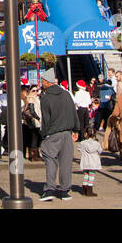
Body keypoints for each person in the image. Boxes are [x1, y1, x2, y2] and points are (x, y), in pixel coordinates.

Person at [37, 70, 77, 201]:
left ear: (47, 82)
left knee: (50, 160)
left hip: (53, 133)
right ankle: (65, 190)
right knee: (66, 162)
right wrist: (76, 130)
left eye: (42, 81)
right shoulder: (66, 94)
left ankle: (50, 189)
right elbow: (73, 111)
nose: (41, 83)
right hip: (67, 132)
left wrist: (43, 136)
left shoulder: (46, 97)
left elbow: (46, 119)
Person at [77, 124, 102, 197]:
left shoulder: (82, 143)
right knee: (91, 175)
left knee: (86, 174)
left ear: (86, 134)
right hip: (93, 162)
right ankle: (89, 190)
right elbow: (100, 151)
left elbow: (79, 149)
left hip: (85, 161)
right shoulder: (97, 144)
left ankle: (84, 189)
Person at [21, 85, 42, 161]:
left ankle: (34, 154)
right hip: (33, 121)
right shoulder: (30, 99)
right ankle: (33, 155)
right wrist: (38, 118)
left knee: (35, 137)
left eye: (37, 90)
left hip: (34, 121)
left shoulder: (36, 99)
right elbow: (32, 111)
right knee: (34, 137)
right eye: (33, 90)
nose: (35, 92)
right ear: (30, 91)